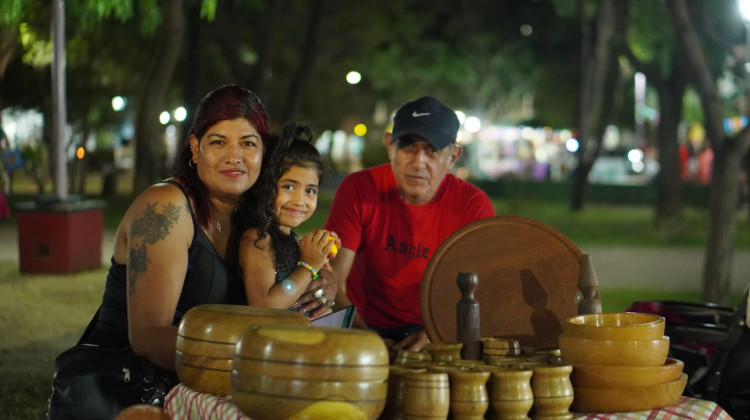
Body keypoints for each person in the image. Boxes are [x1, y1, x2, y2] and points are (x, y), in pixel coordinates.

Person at [47, 85, 336, 419]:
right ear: (195, 149)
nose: (235, 156)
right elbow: (148, 339)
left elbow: (278, 287)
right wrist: (258, 363)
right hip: (130, 385)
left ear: (263, 155)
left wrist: (317, 282)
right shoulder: (165, 208)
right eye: (218, 142)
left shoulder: (254, 218)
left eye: (248, 143)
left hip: (206, 380)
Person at [323, 96, 496, 356]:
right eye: (407, 147)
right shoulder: (358, 188)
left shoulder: (473, 205)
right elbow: (332, 279)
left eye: (432, 150)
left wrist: (434, 333)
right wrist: (365, 335)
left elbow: (483, 290)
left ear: (453, 157)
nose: (418, 162)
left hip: (438, 331)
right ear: (389, 146)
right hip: (361, 324)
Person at [231, 123, 339, 316]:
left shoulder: (291, 239)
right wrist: (308, 266)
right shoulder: (258, 239)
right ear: (263, 185)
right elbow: (265, 305)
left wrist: (321, 255)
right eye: (289, 187)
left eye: (310, 191)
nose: (300, 201)